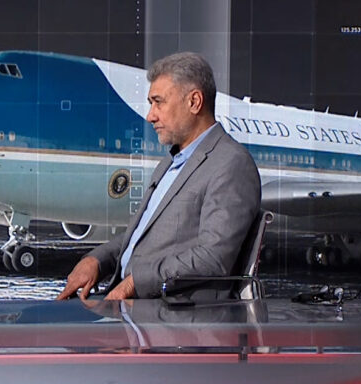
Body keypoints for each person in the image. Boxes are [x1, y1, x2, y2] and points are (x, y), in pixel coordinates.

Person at [56, 51, 260, 301]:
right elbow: (142, 238)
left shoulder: (231, 163)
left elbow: (213, 257)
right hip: (133, 302)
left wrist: (135, 283)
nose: (150, 116)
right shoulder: (170, 163)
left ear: (194, 102)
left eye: (158, 102)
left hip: (169, 312)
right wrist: (97, 260)